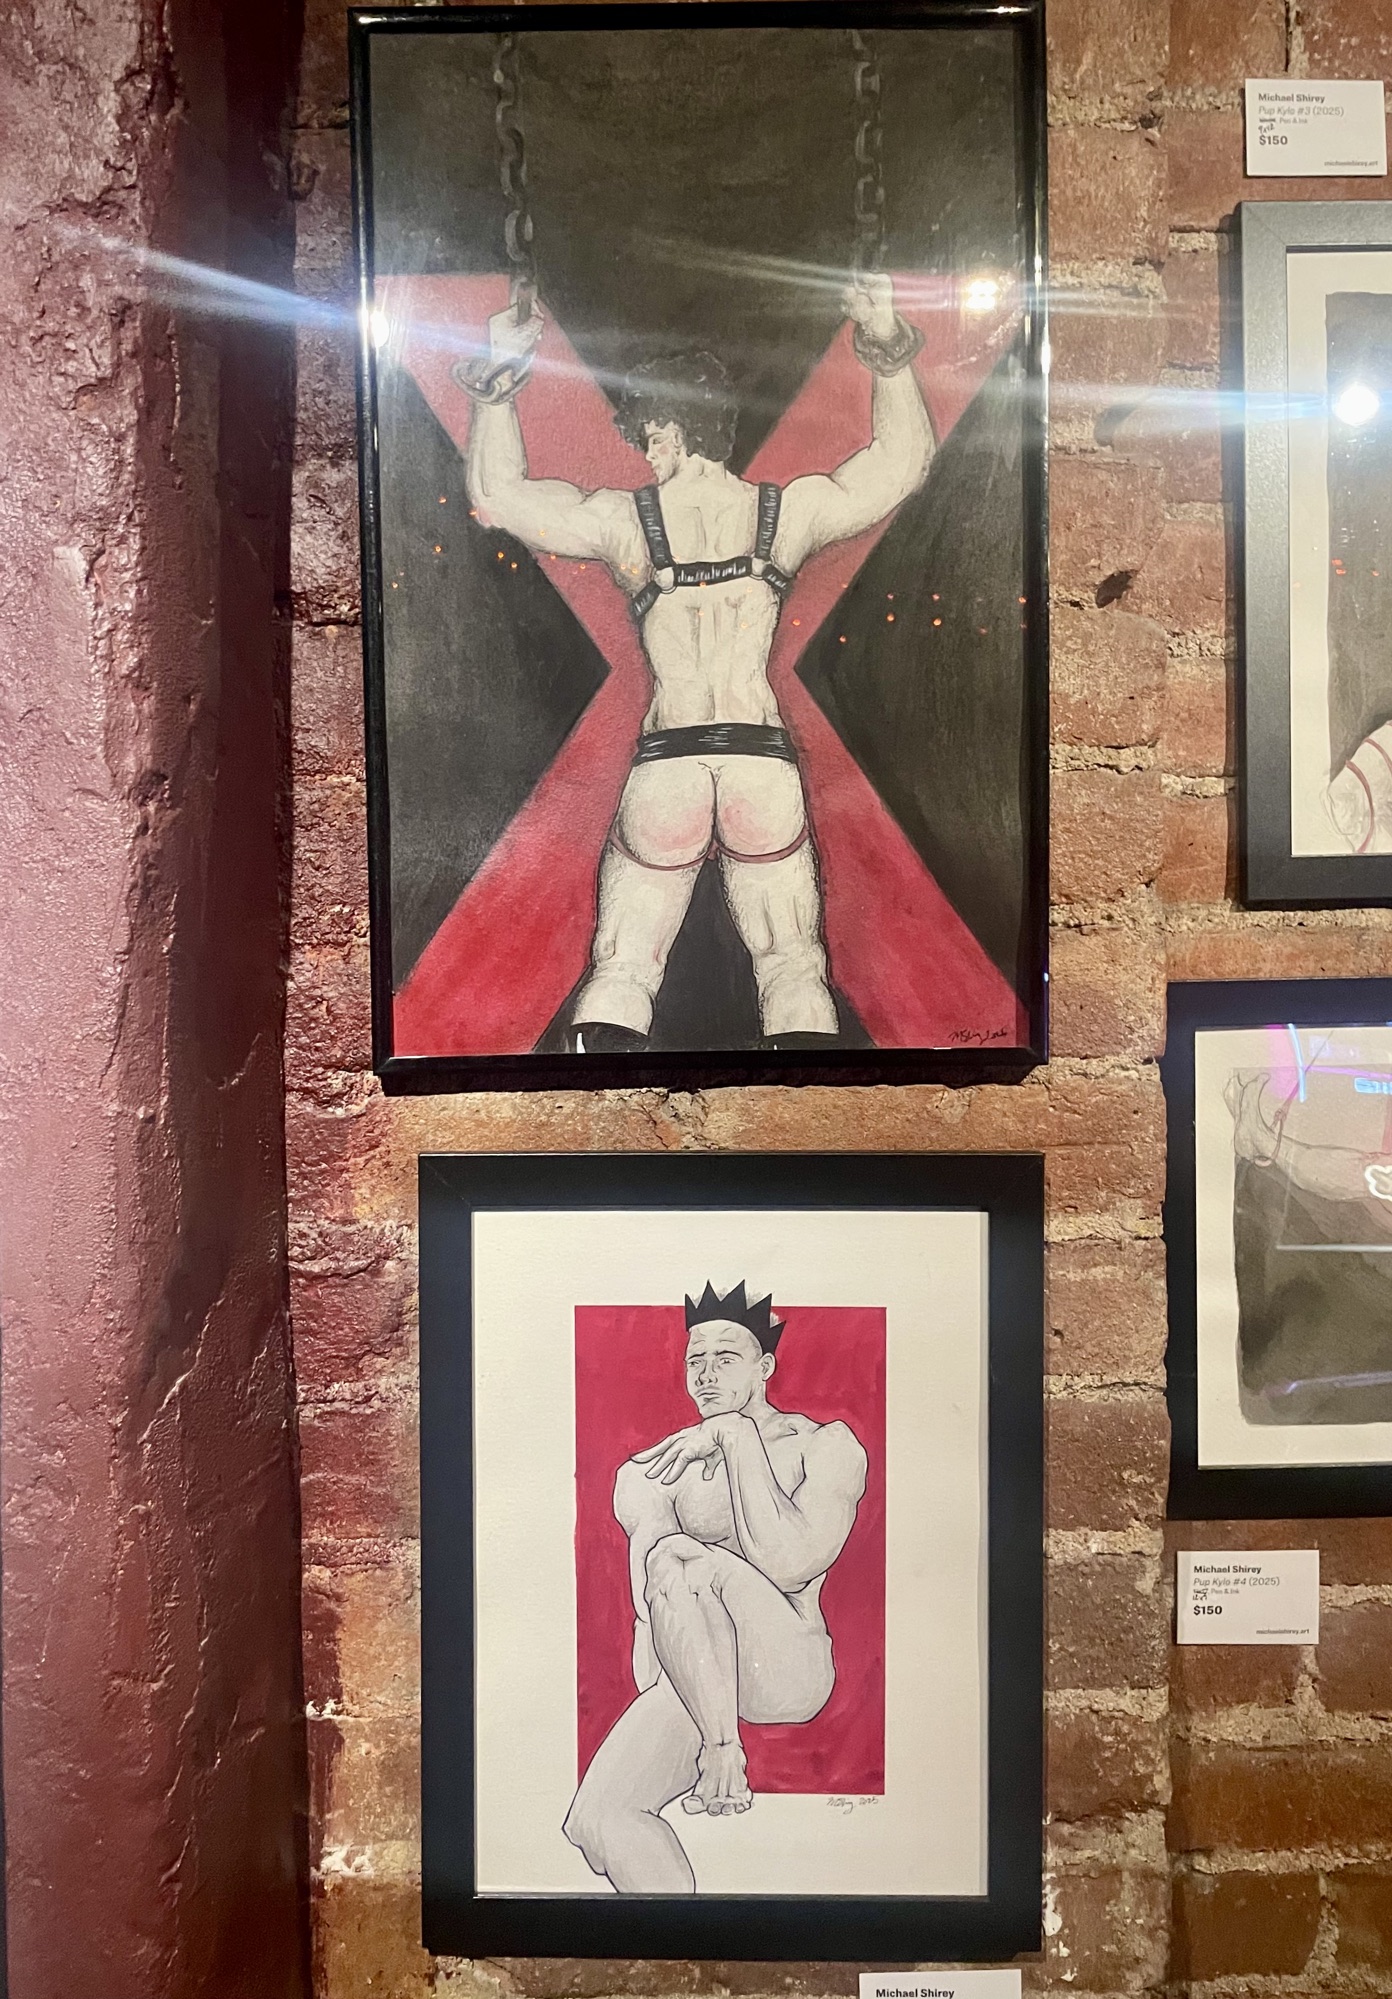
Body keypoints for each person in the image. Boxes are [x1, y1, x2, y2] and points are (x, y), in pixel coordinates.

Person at [462, 277, 934, 1051]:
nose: (644, 451)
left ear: (672, 429)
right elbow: (901, 462)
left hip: (669, 768)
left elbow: (499, 492)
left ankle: (597, 1115)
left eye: (648, 434)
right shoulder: (783, 514)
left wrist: (498, 379)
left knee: (624, 966)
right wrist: (884, 344)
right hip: (760, 766)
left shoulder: (628, 524)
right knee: (791, 964)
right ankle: (805, 1113)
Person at [561, 1280, 868, 1894]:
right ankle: (682, 1936)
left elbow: (791, 1563)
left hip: (785, 1669)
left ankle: (724, 1753)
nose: (705, 1374)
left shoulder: (824, 1445)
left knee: (683, 1556)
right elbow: (650, 1618)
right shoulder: (654, 1471)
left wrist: (735, 1436)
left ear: (765, 1368)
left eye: (726, 1358)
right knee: (598, 1817)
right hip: (698, 1679)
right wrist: (680, 1707)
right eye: (694, 1360)